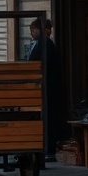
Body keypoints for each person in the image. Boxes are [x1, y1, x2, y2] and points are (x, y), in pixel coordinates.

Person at [28, 18, 64, 157]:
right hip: (43, 86)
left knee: (48, 117)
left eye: (34, 29)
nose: (32, 32)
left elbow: (41, 65)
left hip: (47, 87)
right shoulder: (38, 43)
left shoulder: (46, 44)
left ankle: (49, 149)